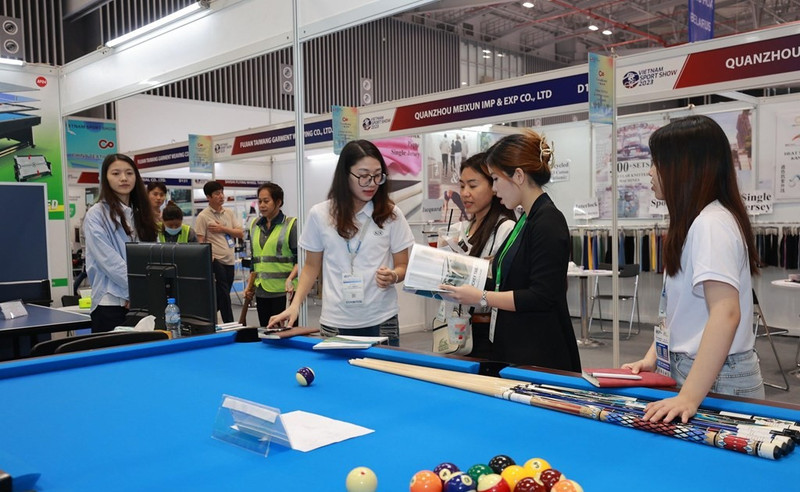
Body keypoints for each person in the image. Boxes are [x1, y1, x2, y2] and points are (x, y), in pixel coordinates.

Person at [623, 115, 763, 423]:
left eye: (656, 162)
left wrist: (688, 396)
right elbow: (681, 308)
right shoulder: (698, 222)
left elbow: (726, 314)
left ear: (683, 167)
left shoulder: (711, 225)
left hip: (715, 378)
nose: (650, 172)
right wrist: (653, 357)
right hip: (700, 371)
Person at [438, 130, 581, 372]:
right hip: (517, 345)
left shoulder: (547, 221)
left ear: (518, 175)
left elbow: (541, 296)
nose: (494, 189)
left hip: (539, 352)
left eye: (495, 179)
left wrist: (480, 297)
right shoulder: (526, 219)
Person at [268, 140, 415, 346]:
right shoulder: (320, 214)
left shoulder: (391, 215)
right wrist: (294, 305)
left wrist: (393, 275)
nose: (371, 183)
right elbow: (311, 266)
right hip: (335, 320)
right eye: (363, 176)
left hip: (381, 318)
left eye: (377, 175)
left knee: (382, 376)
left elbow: (403, 266)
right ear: (345, 175)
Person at [446, 152, 516, 358]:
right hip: (458, 324)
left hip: (486, 329)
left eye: (473, 185)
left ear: (493, 187)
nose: (465, 193)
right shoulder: (462, 229)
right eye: (461, 186)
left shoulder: (506, 228)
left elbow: (504, 282)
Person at [83, 153, 158, 332]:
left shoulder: (141, 213)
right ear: (105, 178)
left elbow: (151, 256)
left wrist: (140, 295)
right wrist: (136, 291)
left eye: (129, 173)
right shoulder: (96, 214)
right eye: (116, 173)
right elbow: (109, 261)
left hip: (139, 303)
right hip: (110, 302)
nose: (123, 178)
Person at [244, 182, 298, 327]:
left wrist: (291, 279)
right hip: (261, 291)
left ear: (278, 202)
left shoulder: (291, 225)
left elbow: (301, 260)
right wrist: (250, 286)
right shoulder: (254, 225)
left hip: (284, 293)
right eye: (260, 201)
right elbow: (254, 261)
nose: (262, 205)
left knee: (284, 336)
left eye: (266, 201)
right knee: (266, 334)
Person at [195, 181, 244, 323]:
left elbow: (240, 233)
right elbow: (201, 240)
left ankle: (206, 316)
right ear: (208, 197)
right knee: (224, 293)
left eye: (222, 192)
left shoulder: (228, 213)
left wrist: (223, 229)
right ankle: (230, 323)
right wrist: (208, 258)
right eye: (217, 194)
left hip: (230, 259)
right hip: (215, 260)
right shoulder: (203, 216)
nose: (221, 196)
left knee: (223, 294)